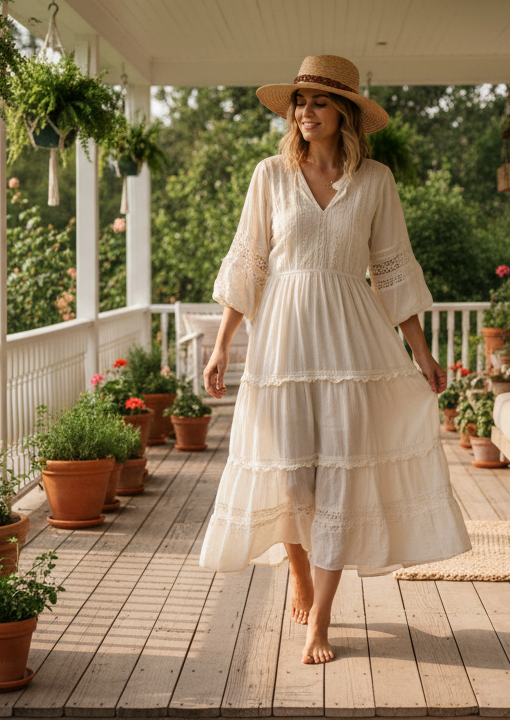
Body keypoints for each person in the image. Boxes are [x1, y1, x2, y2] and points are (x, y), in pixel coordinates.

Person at [198, 55, 470, 665]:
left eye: (318, 102)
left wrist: (422, 353)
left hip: (353, 345)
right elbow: (249, 263)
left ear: (343, 112)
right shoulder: (269, 175)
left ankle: (319, 621)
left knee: (341, 480)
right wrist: (222, 346)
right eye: (299, 102)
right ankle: (299, 574)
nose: (305, 112)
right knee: (292, 477)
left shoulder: (375, 181)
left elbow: (393, 268)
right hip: (282, 347)